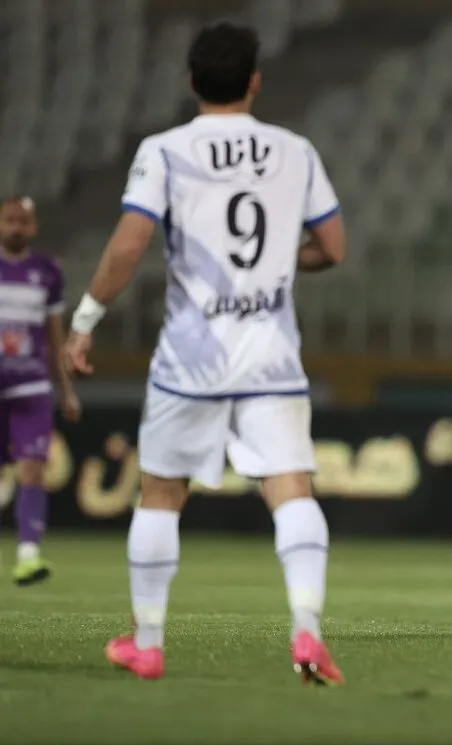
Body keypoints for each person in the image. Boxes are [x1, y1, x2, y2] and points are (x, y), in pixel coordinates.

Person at [62, 22, 347, 684]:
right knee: (291, 489)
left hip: (191, 357)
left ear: (191, 81)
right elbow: (333, 248)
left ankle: (148, 642)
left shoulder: (164, 151)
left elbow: (129, 245)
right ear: (255, 81)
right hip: (270, 356)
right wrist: (279, 265)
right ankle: (307, 630)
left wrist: (85, 321)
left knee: (161, 493)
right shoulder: (295, 151)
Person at [0, 196, 81, 584]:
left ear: (33, 227)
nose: (16, 227)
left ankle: (28, 555)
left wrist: (66, 390)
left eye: (23, 221)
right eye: (10, 220)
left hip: (30, 384)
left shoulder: (47, 272)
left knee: (32, 467)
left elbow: (54, 336)